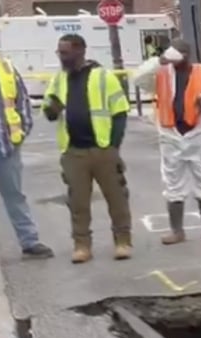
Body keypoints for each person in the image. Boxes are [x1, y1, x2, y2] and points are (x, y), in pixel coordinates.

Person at [42, 34, 132, 264]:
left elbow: (120, 112)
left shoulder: (103, 77)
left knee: (117, 198)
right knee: (78, 202)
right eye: (59, 52)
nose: (61, 57)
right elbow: (49, 113)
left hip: (102, 149)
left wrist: (113, 146)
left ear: (80, 51)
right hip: (73, 152)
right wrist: (52, 109)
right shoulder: (59, 79)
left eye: (64, 52)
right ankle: (82, 246)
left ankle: (122, 241)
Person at [133, 38, 201, 244]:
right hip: (170, 134)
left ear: (187, 55)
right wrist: (161, 60)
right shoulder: (161, 73)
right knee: (172, 182)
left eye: (180, 54)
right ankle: (177, 231)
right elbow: (138, 78)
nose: (177, 59)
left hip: (197, 133)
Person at [0, 25, 53, 259]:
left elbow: (22, 102)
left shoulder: (5, 67)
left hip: (6, 146)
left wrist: (22, 132)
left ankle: (29, 241)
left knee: (15, 196)